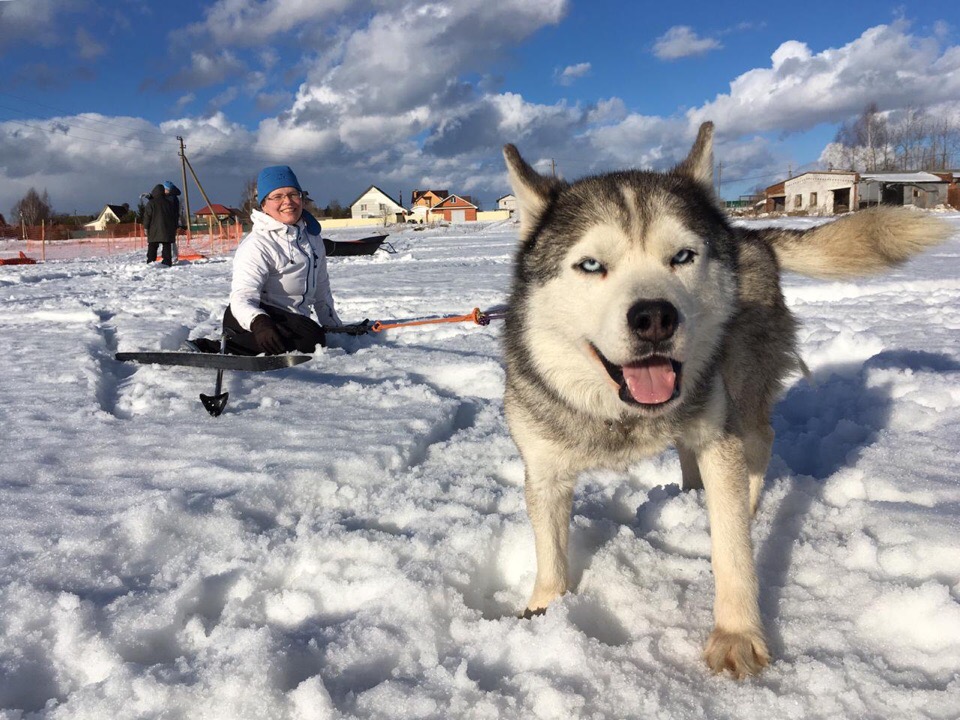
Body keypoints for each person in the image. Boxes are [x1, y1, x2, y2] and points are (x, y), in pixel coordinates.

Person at [192, 165, 363, 356]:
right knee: (311, 338)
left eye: (293, 194)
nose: (287, 201)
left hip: (294, 322)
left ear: (301, 198)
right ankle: (212, 348)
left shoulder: (313, 239)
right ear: (264, 205)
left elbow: (321, 290)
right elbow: (242, 297)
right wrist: (259, 322)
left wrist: (336, 329)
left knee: (312, 335)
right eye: (277, 196)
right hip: (251, 319)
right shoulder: (257, 244)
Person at [143, 182, 179, 266]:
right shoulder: (169, 203)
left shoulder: (151, 203)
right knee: (166, 246)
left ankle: (151, 262)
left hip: (154, 230)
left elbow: (147, 216)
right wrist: (175, 226)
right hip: (167, 229)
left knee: (152, 246)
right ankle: (167, 262)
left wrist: (146, 227)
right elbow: (174, 216)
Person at [162, 181, 182, 264]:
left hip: (170, 222)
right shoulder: (172, 197)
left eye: (164, 189)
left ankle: (173, 257)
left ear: (168, 190)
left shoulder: (171, 198)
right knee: (169, 241)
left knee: (170, 241)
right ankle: (171, 257)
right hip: (171, 222)